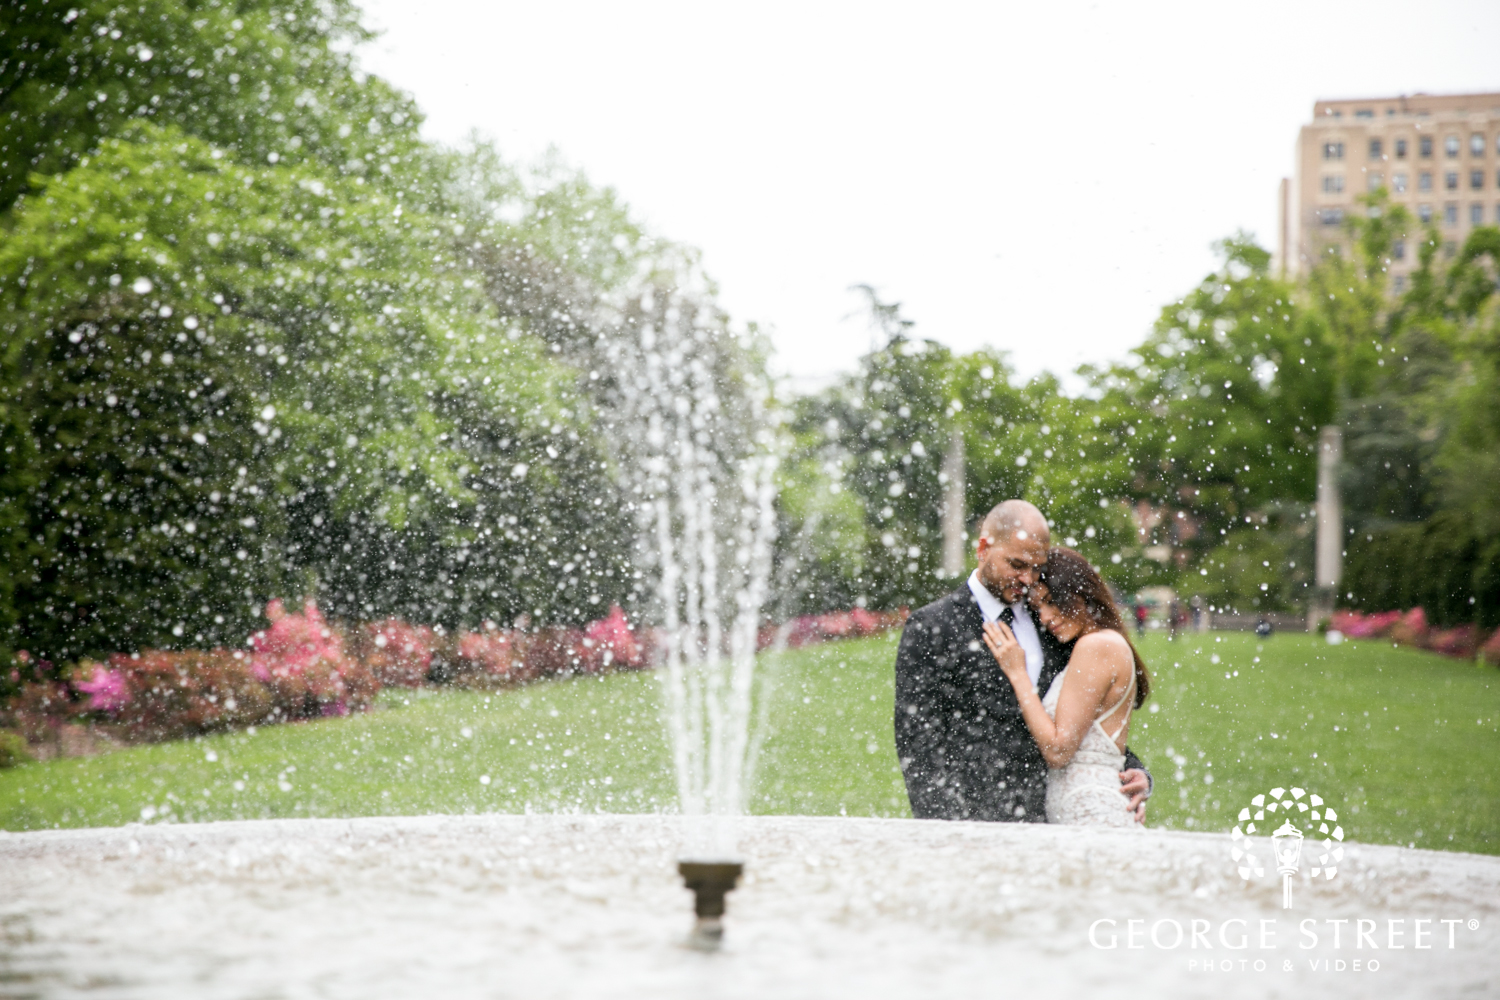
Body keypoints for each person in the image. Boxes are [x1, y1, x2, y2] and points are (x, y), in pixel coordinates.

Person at [894, 500, 1151, 823]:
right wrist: (946, 829)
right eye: (1016, 564)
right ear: (983, 549)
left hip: (1053, 822)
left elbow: (1082, 712)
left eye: (1036, 568)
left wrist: (1134, 771)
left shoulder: (1053, 621)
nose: (1027, 578)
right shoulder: (932, 626)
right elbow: (918, 743)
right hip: (975, 822)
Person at [982, 547, 1151, 827]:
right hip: (1080, 809)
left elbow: (1058, 751)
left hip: (1092, 811)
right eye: (1038, 608)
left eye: (1051, 601)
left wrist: (1017, 673)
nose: (1045, 617)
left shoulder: (1096, 645)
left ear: (1080, 592)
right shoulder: (1095, 644)